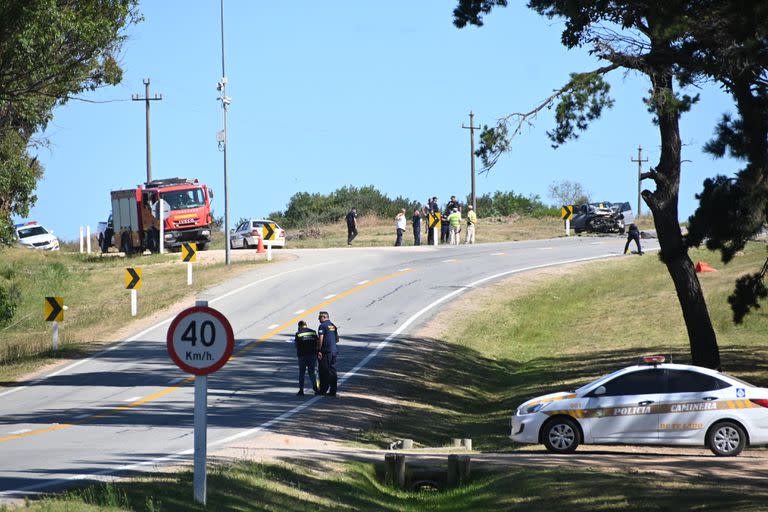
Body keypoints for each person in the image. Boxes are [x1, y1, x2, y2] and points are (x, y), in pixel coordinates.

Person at [293, 320, 320, 396]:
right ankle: (315, 388)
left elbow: (296, 345)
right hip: (312, 355)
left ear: (299, 326)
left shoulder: (298, 334)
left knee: (302, 373)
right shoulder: (313, 332)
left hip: (302, 355)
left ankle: (301, 390)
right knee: (312, 373)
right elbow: (317, 342)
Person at [317, 311, 339, 396]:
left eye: (319, 317)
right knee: (332, 371)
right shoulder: (333, 326)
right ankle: (333, 390)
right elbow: (337, 339)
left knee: (324, 371)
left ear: (324, 317)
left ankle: (323, 390)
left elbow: (321, 338)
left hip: (326, 352)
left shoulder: (322, 326)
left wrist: (319, 350)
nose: (318, 319)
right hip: (334, 351)